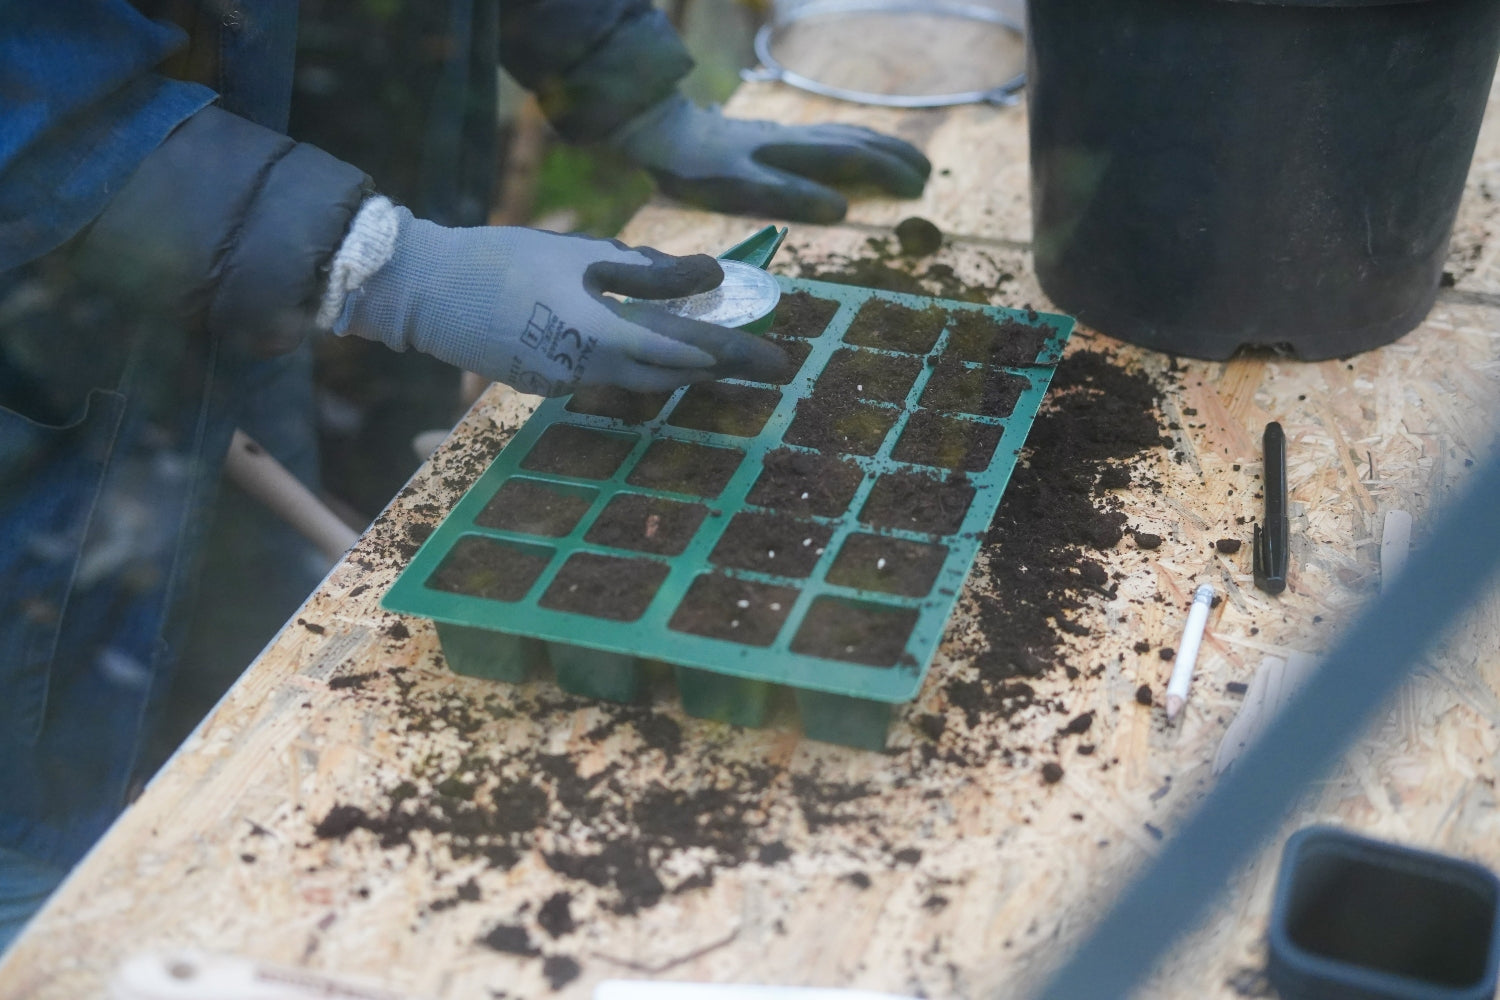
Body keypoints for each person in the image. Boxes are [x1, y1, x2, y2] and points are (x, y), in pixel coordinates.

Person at [0, 0, 931, 952]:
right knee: (42, 798)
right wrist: (379, 265)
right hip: (41, 333)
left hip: (258, 263)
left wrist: (624, 88)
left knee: (255, 689)